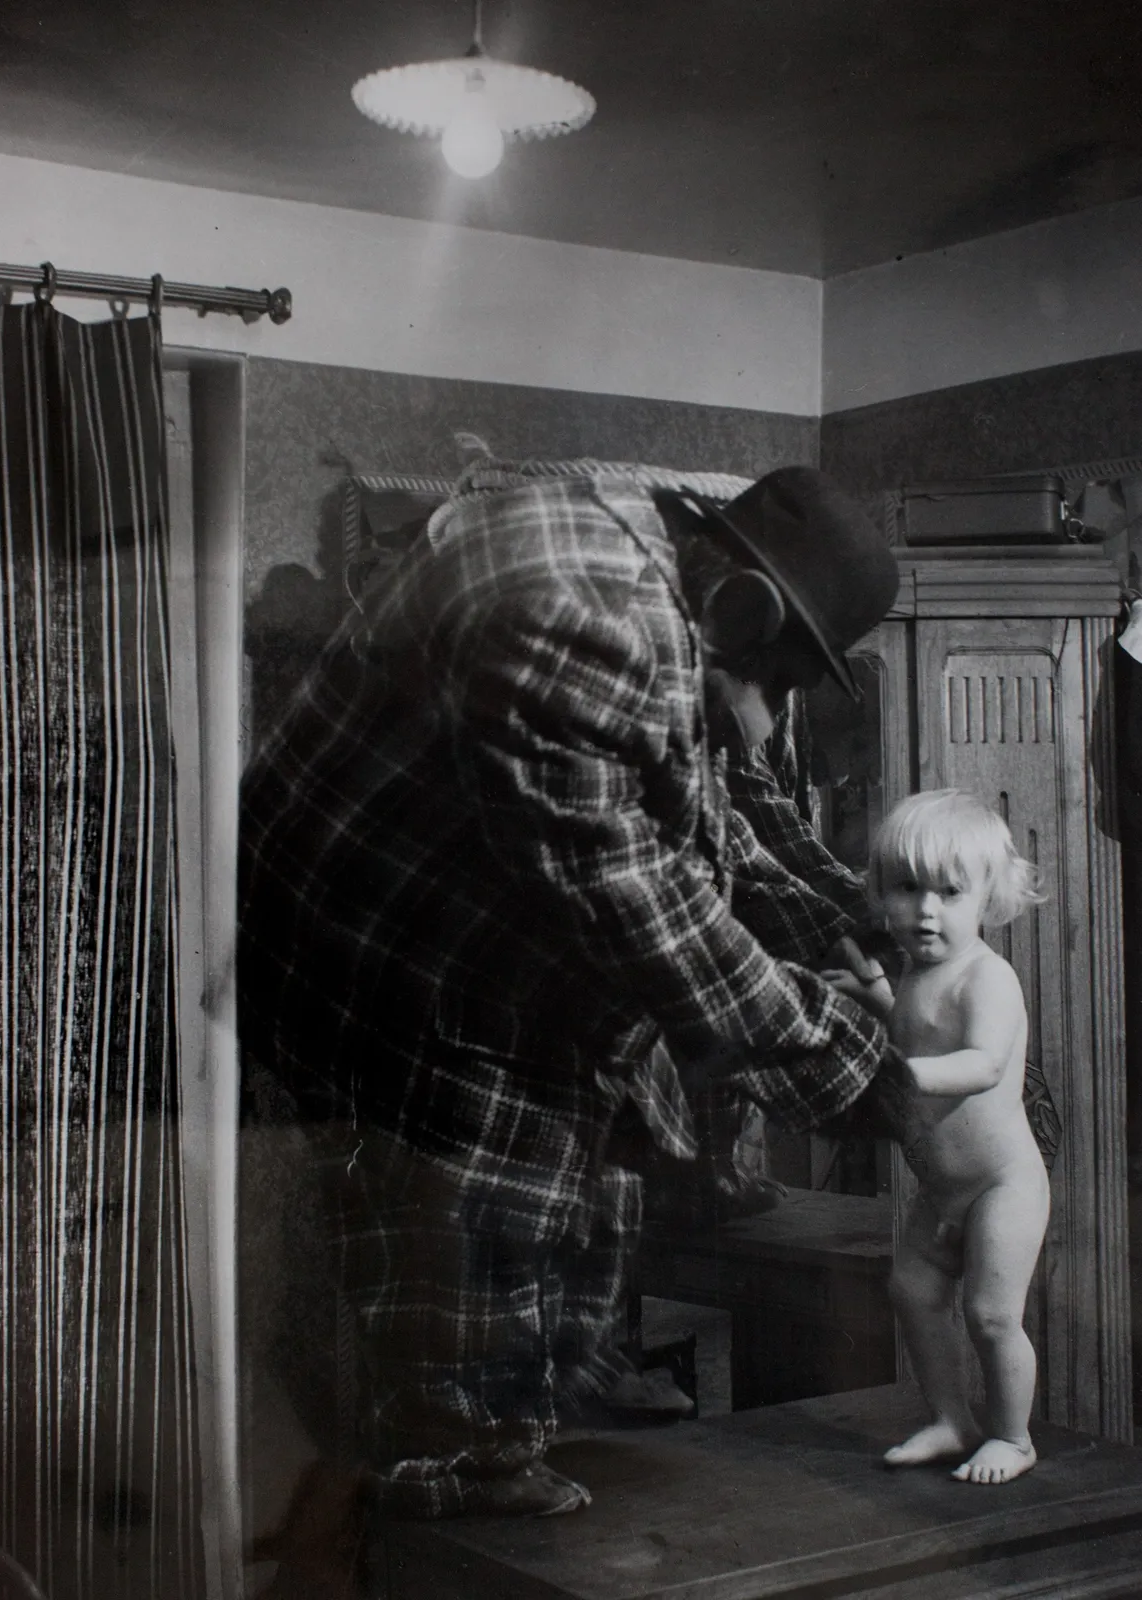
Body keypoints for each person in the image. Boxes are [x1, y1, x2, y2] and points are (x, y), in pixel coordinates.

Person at [237, 459, 910, 1530]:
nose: (775, 716)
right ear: (746, 606)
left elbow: (702, 829)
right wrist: (858, 1067)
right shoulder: (579, 617)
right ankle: (452, 1483)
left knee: (555, 1230)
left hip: (442, 932)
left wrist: (846, 923)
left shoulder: (653, 579)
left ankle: (510, 1424)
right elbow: (640, 905)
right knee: (452, 1356)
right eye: (782, 681)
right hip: (373, 983)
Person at [850, 789, 1048, 1486]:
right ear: (882, 893)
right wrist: (872, 990)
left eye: (949, 892)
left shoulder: (986, 978)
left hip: (1001, 1185)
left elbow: (982, 1065)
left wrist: (894, 1075)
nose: (925, 910)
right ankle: (949, 1418)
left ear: (988, 898)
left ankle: (1013, 1438)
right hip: (940, 1189)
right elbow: (909, 1023)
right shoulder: (915, 973)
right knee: (911, 1292)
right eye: (907, 889)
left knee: (992, 1315)